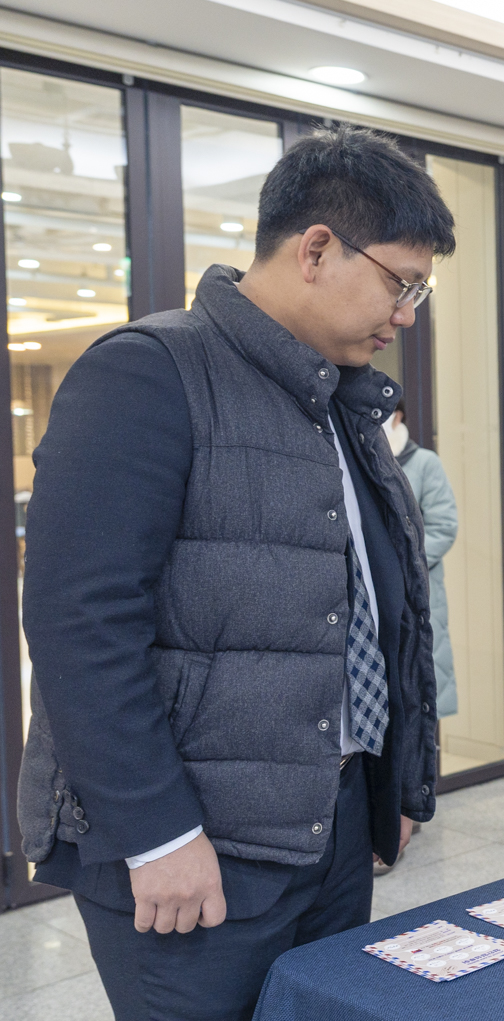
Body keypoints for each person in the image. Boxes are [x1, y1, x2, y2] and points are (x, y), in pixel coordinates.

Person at [18, 125, 453, 1021]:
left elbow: (378, 601)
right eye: (401, 283)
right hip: (197, 848)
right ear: (317, 250)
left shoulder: (339, 398)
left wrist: (391, 780)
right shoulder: (149, 373)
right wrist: (157, 832)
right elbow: (79, 625)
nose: (407, 313)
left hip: (330, 823)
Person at [385, 407, 459, 717]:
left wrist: (402, 564)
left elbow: (444, 526)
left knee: (424, 683)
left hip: (419, 588)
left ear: (399, 415)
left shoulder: (425, 463)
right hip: (377, 592)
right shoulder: (360, 459)